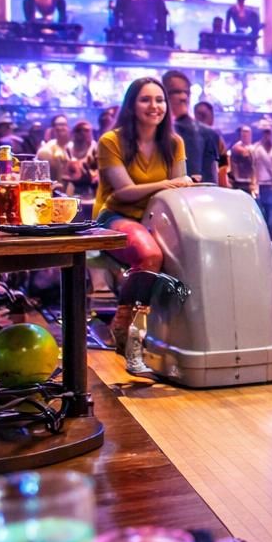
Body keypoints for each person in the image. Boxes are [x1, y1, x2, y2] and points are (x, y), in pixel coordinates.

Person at [93, 77, 194, 348]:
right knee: (150, 254)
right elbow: (124, 192)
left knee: (194, 250)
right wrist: (168, 183)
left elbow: (179, 191)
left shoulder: (174, 142)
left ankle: (179, 332)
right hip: (115, 217)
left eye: (159, 100)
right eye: (145, 99)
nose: (154, 106)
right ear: (131, 105)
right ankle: (125, 326)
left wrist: (175, 185)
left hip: (157, 219)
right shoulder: (110, 141)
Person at [162, 70, 224, 185]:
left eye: (186, 92)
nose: (183, 97)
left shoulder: (207, 134)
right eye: (176, 92)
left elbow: (209, 182)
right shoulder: (149, 131)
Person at [36, 113, 74, 184]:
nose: (60, 128)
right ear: (53, 129)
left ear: (68, 127)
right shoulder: (46, 149)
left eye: (63, 124)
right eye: (57, 125)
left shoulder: (74, 146)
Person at [230, 125, 256, 193]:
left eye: (247, 132)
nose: (245, 134)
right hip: (239, 181)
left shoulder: (253, 147)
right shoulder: (236, 147)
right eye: (244, 132)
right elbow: (244, 154)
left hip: (250, 181)